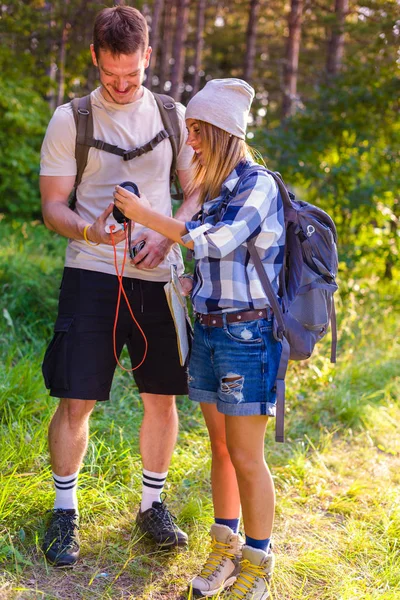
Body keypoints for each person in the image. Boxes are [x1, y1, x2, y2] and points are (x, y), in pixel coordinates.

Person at [39, 5, 199, 567]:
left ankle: (152, 507)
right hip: (91, 272)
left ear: (148, 56)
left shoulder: (174, 115)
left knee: (162, 397)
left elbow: (196, 189)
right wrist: (88, 227)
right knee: (76, 397)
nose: (123, 85)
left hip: (157, 276)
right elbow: (52, 205)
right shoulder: (71, 120)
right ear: (95, 59)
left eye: (132, 73)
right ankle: (64, 512)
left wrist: (170, 237)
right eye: (111, 76)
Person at [114, 78, 285, 599]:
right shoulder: (213, 192)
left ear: (220, 132)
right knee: (220, 449)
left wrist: (147, 216)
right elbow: (207, 261)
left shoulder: (260, 186)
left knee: (246, 454)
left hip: (248, 336)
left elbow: (215, 240)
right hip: (209, 336)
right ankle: (225, 548)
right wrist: (185, 281)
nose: (189, 142)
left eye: (195, 131)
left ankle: (258, 560)